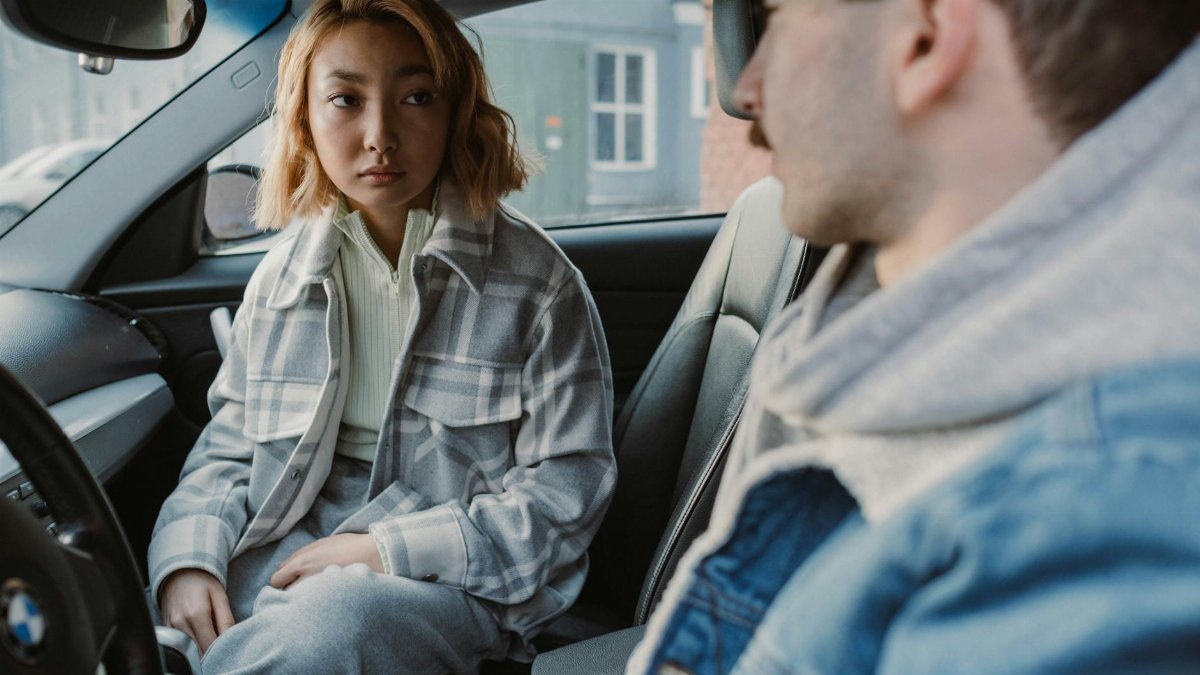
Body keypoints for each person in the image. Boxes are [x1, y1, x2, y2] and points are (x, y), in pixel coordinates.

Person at [630, 0, 1200, 672]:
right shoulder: (867, 348)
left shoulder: (1094, 529)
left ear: (925, 37)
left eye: (776, 16)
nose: (746, 92)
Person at [147, 0, 616, 672]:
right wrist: (187, 559)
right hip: (284, 549)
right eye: (344, 99)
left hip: (452, 576)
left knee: (330, 626)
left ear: (456, 110)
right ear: (304, 117)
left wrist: (384, 549)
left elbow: (565, 498)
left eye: (416, 96)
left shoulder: (539, 285)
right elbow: (228, 450)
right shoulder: (278, 282)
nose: (380, 135)